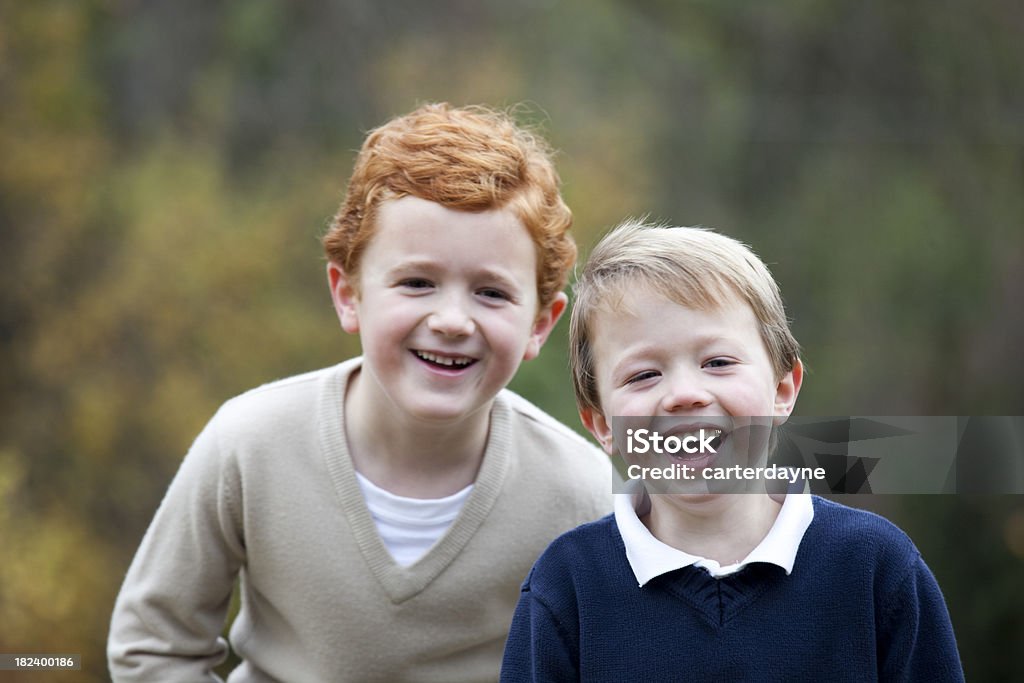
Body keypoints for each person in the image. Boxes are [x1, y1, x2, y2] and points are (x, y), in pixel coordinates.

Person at [108, 103, 613, 682]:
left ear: (540, 324)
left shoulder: (578, 493)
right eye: (417, 283)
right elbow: (152, 645)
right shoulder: (249, 444)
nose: (451, 319)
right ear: (348, 292)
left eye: (492, 293)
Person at [501, 219, 965, 681]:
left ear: (783, 388)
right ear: (602, 424)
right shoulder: (567, 586)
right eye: (643, 375)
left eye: (718, 363)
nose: (685, 394)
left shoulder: (874, 567)